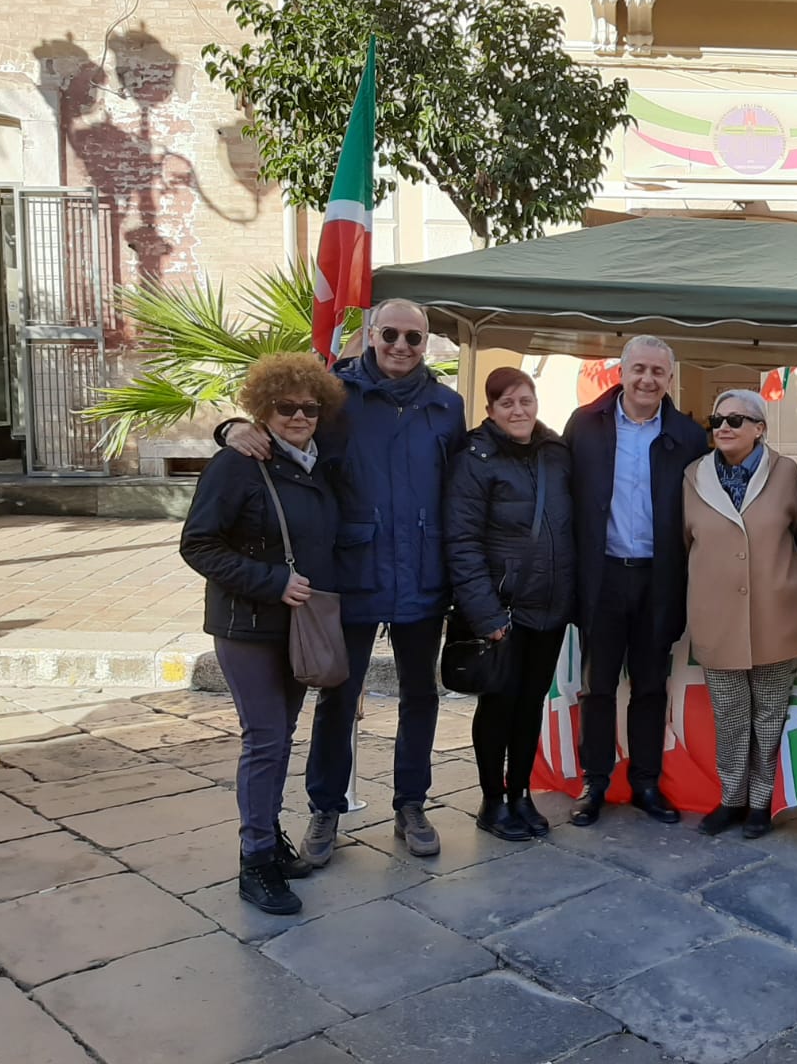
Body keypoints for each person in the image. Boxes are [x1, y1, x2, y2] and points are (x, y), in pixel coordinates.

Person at [216, 298, 466, 864]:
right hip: (350, 573)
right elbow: (284, 436)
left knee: (420, 695)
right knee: (339, 695)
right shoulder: (334, 397)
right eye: (391, 335)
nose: (402, 346)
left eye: (414, 337)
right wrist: (230, 427)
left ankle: (411, 804)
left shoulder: (447, 406)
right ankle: (325, 809)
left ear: (426, 343)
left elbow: (459, 486)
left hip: (424, 575)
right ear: (371, 335)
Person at [181, 353, 346, 915]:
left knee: (281, 738)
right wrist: (271, 582)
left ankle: (268, 837)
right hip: (247, 624)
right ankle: (255, 862)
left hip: (297, 626)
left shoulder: (315, 463)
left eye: (309, 406)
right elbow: (198, 544)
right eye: (285, 406)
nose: (299, 415)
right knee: (266, 739)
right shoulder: (238, 463)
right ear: (262, 408)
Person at [564, 335, 709, 825]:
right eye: (639, 369)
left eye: (658, 372)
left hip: (659, 579)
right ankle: (595, 783)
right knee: (597, 688)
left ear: (671, 378)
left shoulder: (688, 435)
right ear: (621, 372)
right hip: (601, 576)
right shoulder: (585, 426)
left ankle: (646, 782)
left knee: (650, 687)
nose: (648, 379)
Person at [444, 366, 576, 841]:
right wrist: (487, 614)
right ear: (491, 410)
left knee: (531, 705)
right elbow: (461, 541)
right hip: (503, 610)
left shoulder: (556, 451)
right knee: (498, 705)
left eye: (526, 400)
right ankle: (491, 799)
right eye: (507, 403)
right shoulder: (475, 459)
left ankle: (521, 792)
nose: (518, 411)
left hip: (550, 607)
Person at [682, 389, 797, 839]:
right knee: (730, 716)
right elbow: (685, 543)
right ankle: (731, 799)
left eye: (737, 420)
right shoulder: (692, 476)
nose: (724, 427)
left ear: (760, 428)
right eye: (717, 419)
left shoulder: (787, 473)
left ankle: (761, 803)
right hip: (717, 619)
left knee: (770, 716)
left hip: (779, 616)